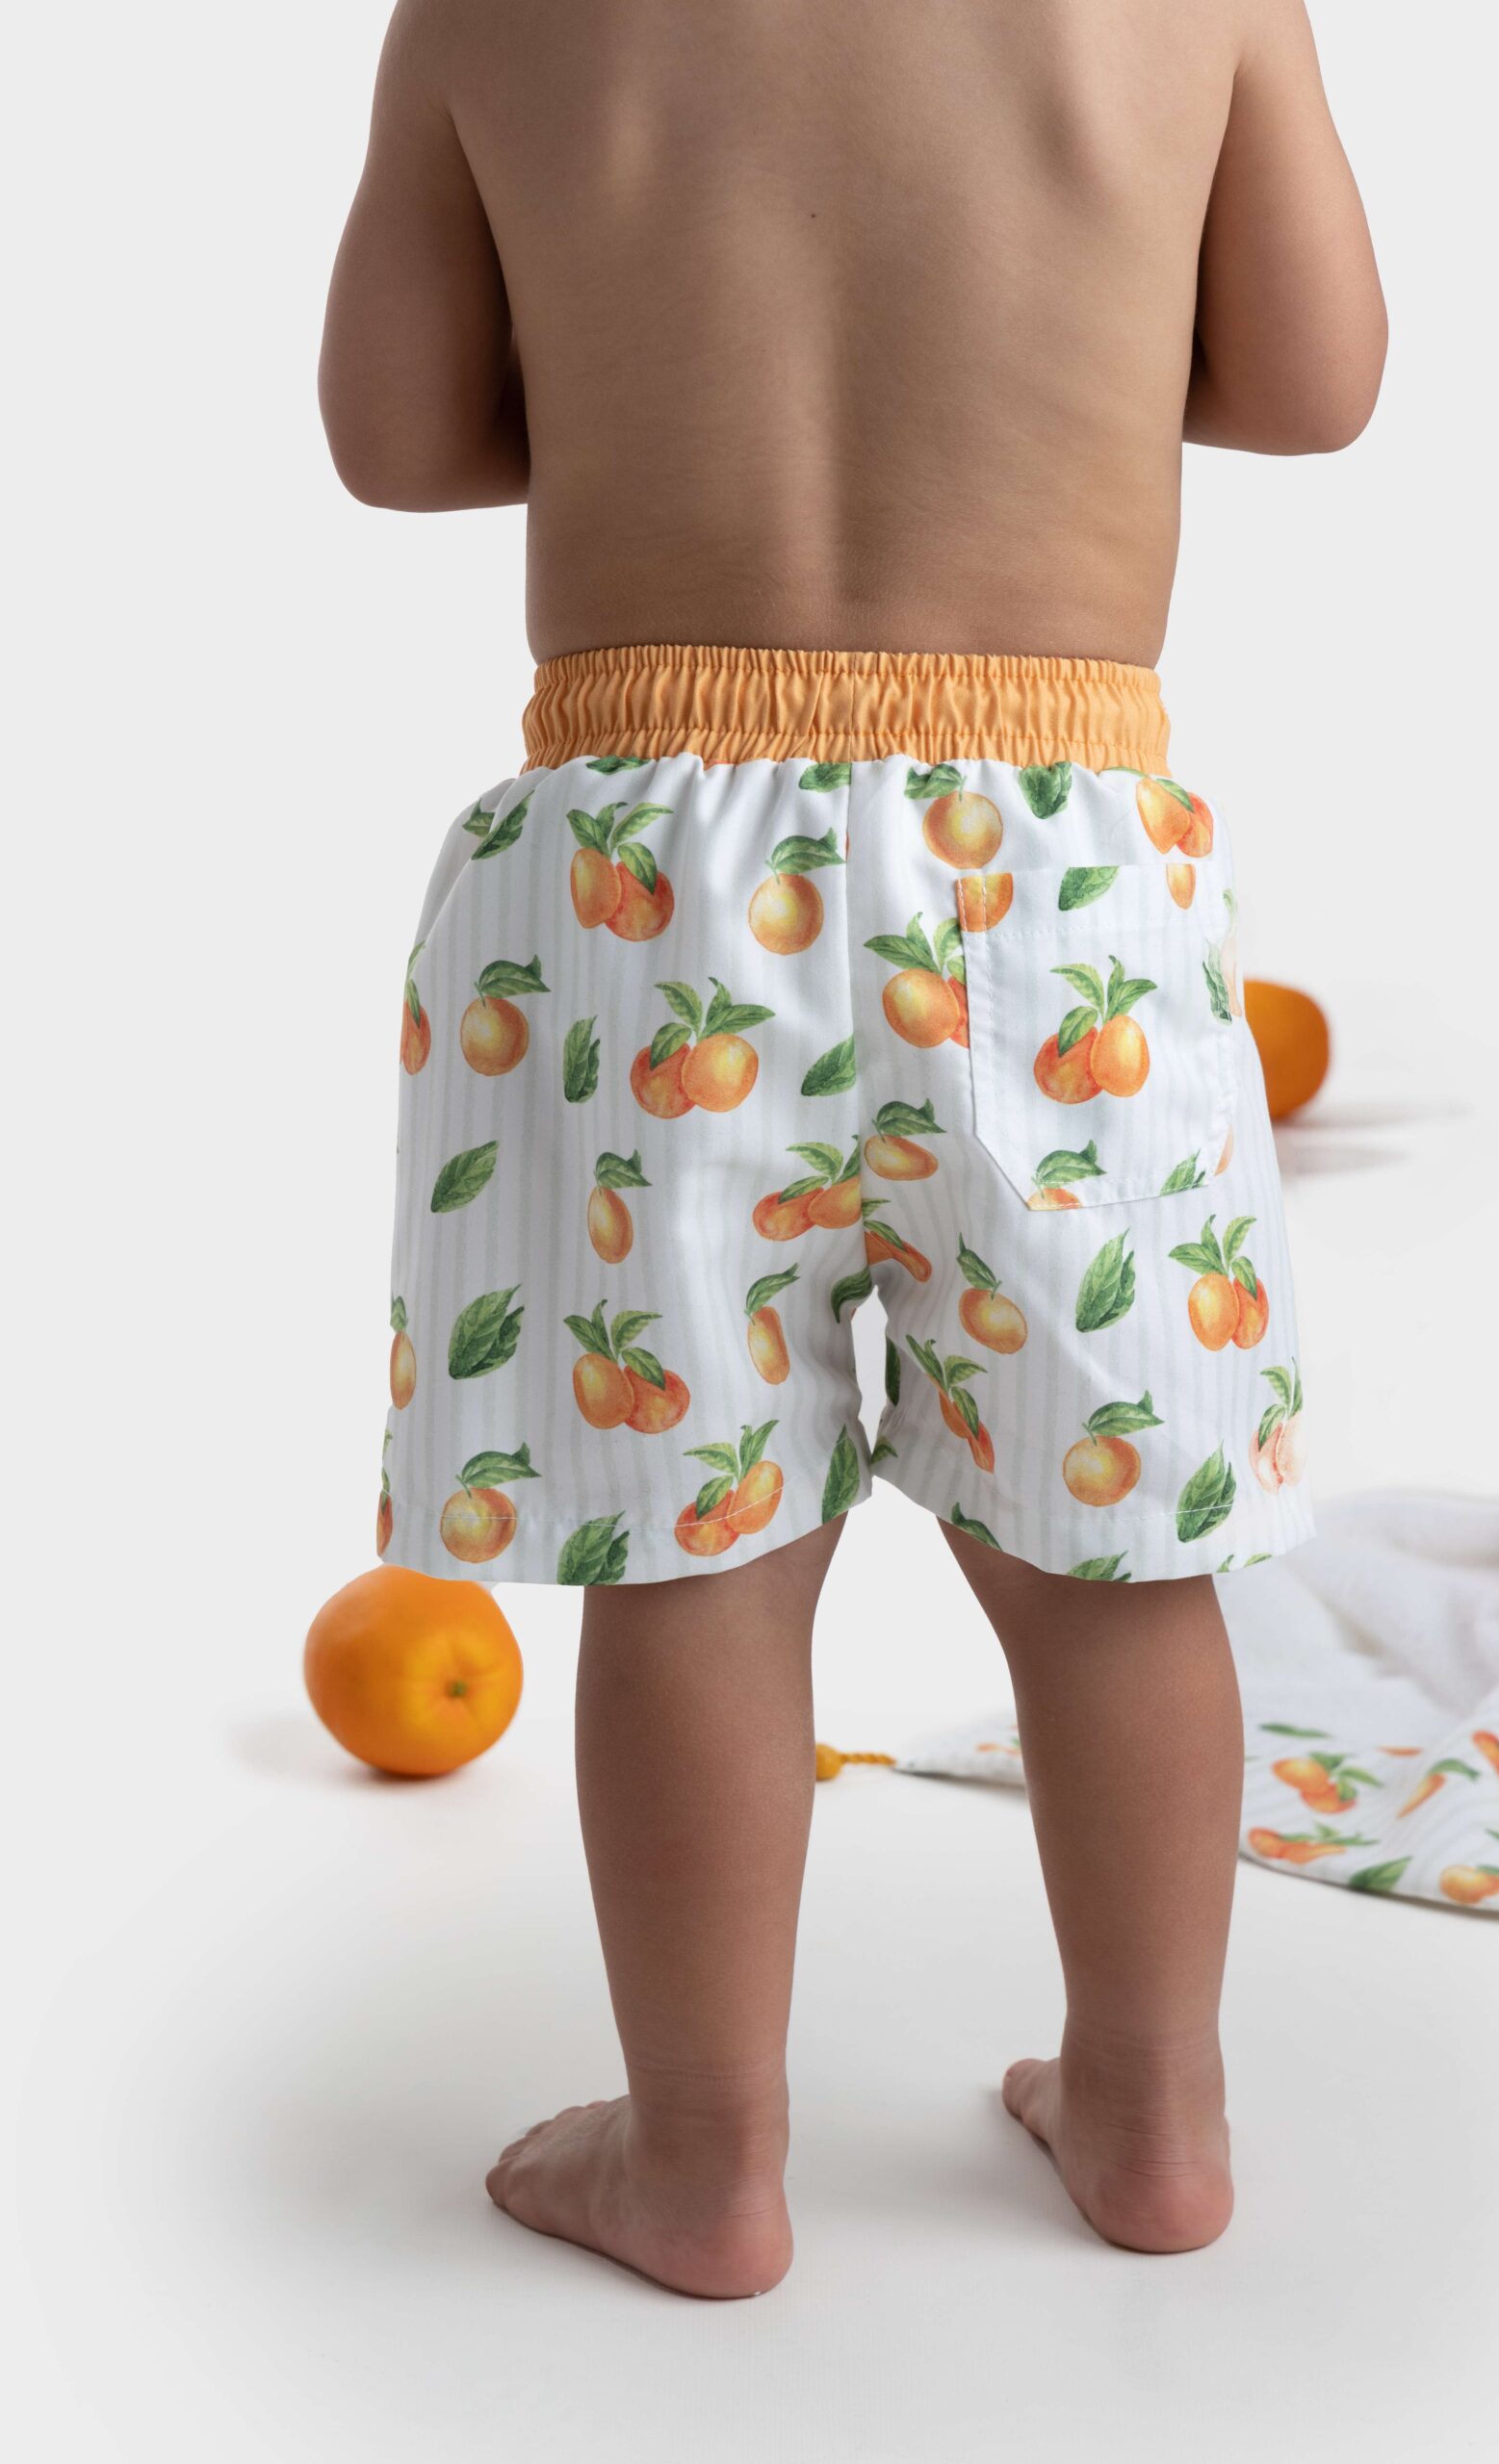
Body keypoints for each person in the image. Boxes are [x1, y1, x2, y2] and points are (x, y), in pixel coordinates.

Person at [321, 0, 1384, 2297]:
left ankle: (701, 2158)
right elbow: (1311, 382)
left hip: (641, 869)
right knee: (1111, 1560)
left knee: (694, 1556)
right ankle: (1153, 2114)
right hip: (1056, 868)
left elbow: (395, 438)